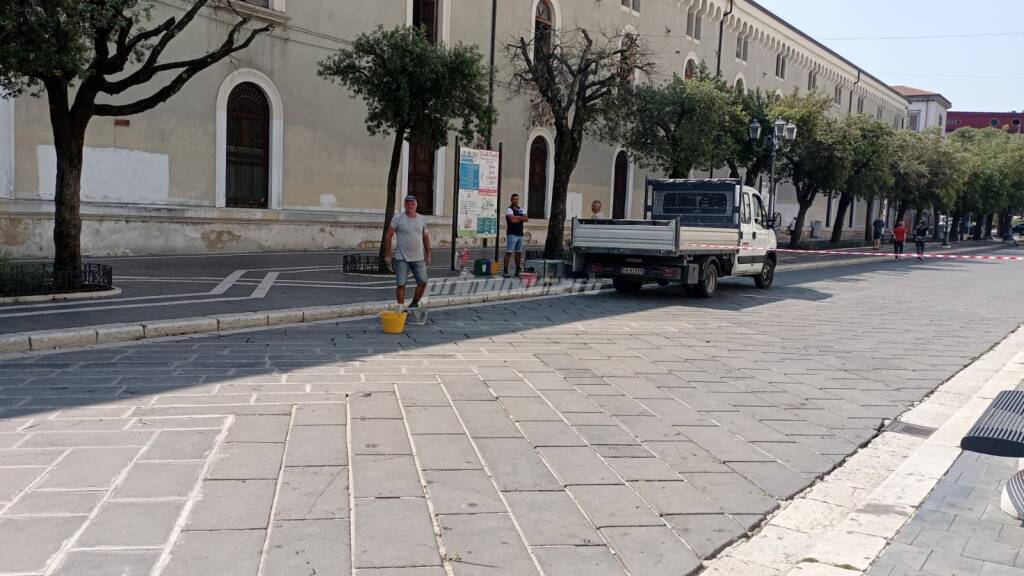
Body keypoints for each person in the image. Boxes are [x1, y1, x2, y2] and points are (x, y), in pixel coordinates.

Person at [384, 195, 430, 308]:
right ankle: (400, 308)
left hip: (418, 258)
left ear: (416, 205)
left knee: (423, 282)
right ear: (404, 205)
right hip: (401, 258)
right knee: (401, 284)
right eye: (408, 203)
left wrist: (428, 254)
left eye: (412, 203)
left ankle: (414, 303)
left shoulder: (422, 219)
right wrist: (388, 254)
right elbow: (388, 235)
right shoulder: (397, 218)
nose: (410, 205)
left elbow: (426, 237)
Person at [503, 194, 528, 277]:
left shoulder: (521, 209)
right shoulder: (508, 210)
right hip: (512, 234)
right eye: (514, 199)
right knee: (509, 252)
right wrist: (521, 218)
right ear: (511, 200)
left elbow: (526, 219)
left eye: (517, 199)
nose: (516, 201)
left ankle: (517, 269)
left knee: (518, 253)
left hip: (520, 234)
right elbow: (512, 220)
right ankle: (505, 270)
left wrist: (518, 218)